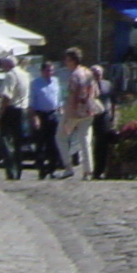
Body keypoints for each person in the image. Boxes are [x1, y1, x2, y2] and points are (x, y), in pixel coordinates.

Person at [57, 47, 105, 179]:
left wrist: (69, 113)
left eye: (67, 60)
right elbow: (96, 93)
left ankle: (68, 167)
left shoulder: (74, 75)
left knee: (60, 137)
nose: (65, 62)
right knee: (85, 140)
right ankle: (88, 171)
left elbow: (73, 95)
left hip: (75, 112)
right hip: (89, 110)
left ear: (72, 60)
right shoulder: (88, 72)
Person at [0, 55, 31, 180]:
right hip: (22, 110)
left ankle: (10, 168)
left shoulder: (10, 75)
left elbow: (7, 97)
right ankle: (19, 169)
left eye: (2, 65)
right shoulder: (25, 74)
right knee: (18, 142)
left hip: (11, 110)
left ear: (7, 65)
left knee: (4, 139)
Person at [28, 60, 63, 178]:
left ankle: (52, 168)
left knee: (53, 143)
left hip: (53, 114)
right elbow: (31, 102)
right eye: (47, 70)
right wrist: (34, 117)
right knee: (40, 143)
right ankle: (41, 169)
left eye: (51, 70)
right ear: (42, 71)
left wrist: (60, 109)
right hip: (40, 114)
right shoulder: (35, 83)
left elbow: (59, 98)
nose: (49, 72)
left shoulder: (56, 82)